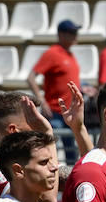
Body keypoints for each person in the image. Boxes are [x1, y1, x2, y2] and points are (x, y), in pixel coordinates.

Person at [26, 20, 83, 163]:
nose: (75, 36)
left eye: (75, 32)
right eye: (72, 33)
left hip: (69, 113)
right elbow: (31, 77)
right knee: (51, 150)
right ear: (61, 35)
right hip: (56, 113)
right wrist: (42, 101)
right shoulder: (52, 53)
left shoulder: (69, 55)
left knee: (71, 152)